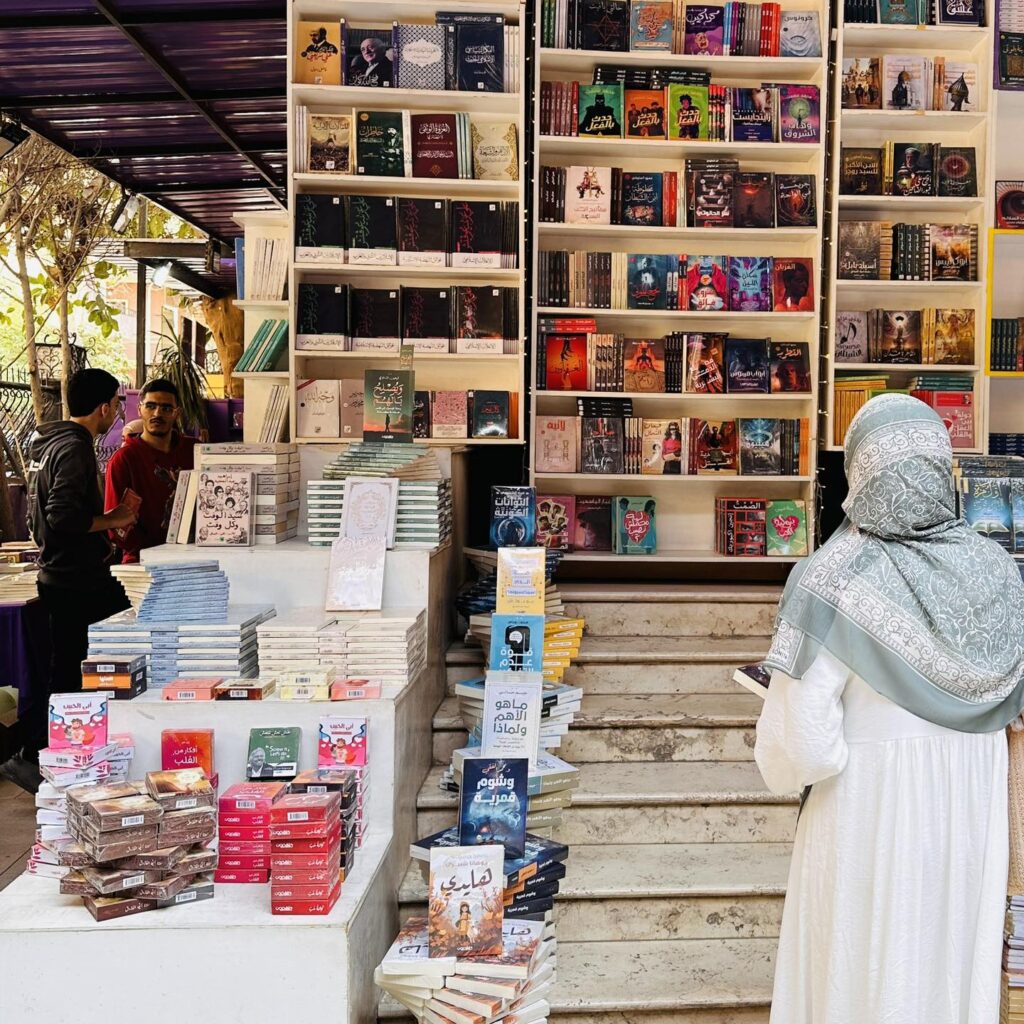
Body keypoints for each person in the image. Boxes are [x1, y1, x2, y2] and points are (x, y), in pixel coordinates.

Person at [754, 393, 1024, 1024]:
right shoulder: (1000, 572)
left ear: (860, 472)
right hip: (969, 818)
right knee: (946, 972)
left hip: (866, 817)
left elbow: (804, 746)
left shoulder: (829, 576)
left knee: (863, 973)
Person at [6, 369, 136, 791]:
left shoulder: (50, 442)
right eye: (117, 405)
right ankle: (43, 755)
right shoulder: (76, 449)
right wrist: (112, 519)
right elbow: (61, 516)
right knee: (95, 659)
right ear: (104, 407)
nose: (117, 413)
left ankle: (46, 753)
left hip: (61, 574)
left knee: (68, 665)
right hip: (76, 577)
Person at [104, 378, 196, 563]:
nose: (157, 413)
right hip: (141, 561)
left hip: (193, 557)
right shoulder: (124, 459)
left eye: (166, 408)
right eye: (150, 406)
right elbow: (115, 525)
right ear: (140, 409)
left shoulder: (195, 451)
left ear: (177, 413)